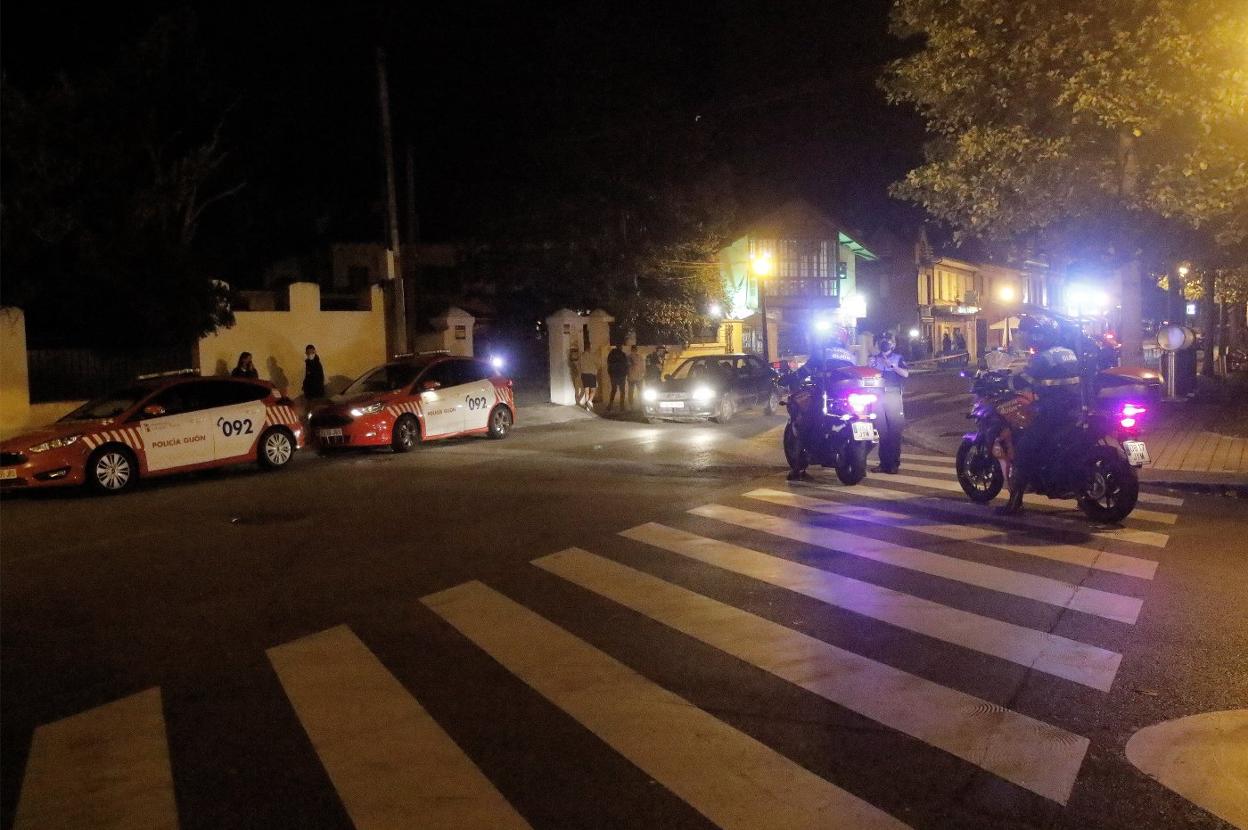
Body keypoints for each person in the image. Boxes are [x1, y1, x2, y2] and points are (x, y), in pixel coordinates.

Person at [997, 313, 1082, 515]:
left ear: (1038, 336)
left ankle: (1015, 501)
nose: (1025, 337)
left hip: (1052, 411)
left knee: (1024, 448)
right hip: (1073, 409)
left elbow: (1021, 380)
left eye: (1028, 333)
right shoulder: (1068, 352)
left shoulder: (1042, 357)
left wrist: (1003, 381)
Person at [868, 334, 911, 473]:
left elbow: (906, 374)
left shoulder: (898, 358)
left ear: (892, 344)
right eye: (882, 341)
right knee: (882, 432)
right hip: (878, 397)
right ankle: (883, 463)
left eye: (887, 341)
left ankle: (893, 465)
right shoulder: (874, 359)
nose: (884, 343)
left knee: (895, 432)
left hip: (893, 396)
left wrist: (892, 366)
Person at [606, 343, 629, 412]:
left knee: (613, 390)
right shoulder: (623, 354)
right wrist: (626, 373)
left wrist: (610, 372)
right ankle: (622, 406)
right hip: (621, 375)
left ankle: (610, 405)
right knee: (622, 391)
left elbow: (608, 362)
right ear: (621, 347)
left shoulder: (611, 353)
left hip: (613, 375)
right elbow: (626, 365)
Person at [578, 346, 599, 411]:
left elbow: (579, 365)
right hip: (591, 374)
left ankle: (587, 407)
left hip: (584, 375)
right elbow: (597, 363)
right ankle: (589, 401)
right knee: (593, 390)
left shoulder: (581, 356)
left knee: (586, 391)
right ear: (589, 348)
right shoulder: (592, 355)